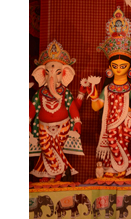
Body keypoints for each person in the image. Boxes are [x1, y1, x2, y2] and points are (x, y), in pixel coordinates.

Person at [90, 7, 131, 178]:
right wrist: (93, 94)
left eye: (123, 66)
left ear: (130, 67)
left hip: (126, 119)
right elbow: (97, 107)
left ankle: (125, 167)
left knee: (118, 142)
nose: (119, 69)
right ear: (110, 67)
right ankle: (114, 169)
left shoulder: (130, 87)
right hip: (110, 121)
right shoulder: (107, 88)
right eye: (115, 66)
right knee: (112, 141)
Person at [29, 40, 88, 180]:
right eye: (48, 73)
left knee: (56, 148)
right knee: (45, 148)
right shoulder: (40, 93)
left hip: (63, 126)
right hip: (43, 127)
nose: (52, 77)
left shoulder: (65, 92)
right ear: (42, 74)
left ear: (65, 74)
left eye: (58, 73)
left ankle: (58, 174)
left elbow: (72, 107)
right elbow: (32, 107)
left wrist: (77, 122)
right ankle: (55, 172)